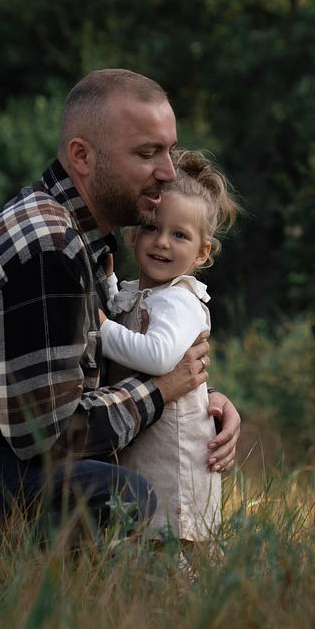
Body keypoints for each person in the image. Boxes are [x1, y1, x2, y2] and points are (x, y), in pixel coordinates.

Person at [0, 69, 241, 557]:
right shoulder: (46, 250)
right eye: (146, 153)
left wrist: (198, 400)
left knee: (112, 488)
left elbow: (78, 379)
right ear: (82, 156)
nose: (167, 171)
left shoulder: (82, 241)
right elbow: (49, 438)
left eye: (167, 150)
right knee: (114, 493)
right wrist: (162, 389)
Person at [99, 150, 241, 559]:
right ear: (132, 235)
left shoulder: (179, 301)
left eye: (179, 235)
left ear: (201, 253)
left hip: (176, 455)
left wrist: (101, 328)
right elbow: (129, 310)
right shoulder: (145, 294)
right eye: (151, 228)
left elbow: (159, 356)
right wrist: (108, 285)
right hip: (145, 446)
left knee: (174, 550)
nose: (162, 242)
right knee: (149, 547)